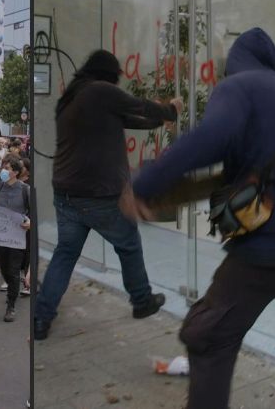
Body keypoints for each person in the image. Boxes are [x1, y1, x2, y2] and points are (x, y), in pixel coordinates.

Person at [124, 28, 275, 409]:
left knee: (209, 334)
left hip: (272, 246)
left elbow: (210, 138)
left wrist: (147, 182)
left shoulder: (239, 87)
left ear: (234, 62)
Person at [33, 49, 182, 340]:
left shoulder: (72, 98)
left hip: (66, 194)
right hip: (99, 195)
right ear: (108, 75)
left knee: (65, 254)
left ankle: (41, 318)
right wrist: (171, 111)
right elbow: (139, 106)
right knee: (129, 245)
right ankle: (142, 300)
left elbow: (129, 118)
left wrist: (159, 120)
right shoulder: (99, 91)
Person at [0, 158, 31, 322]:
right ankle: (13, 287)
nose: (3, 171)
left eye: (7, 168)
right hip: (1, 237)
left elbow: (33, 211)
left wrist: (30, 223)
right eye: (3, 167)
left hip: (17, 238)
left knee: (13, 270)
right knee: (4, 268)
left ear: (16, 172)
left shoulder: (25, 190)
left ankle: (10, 305)